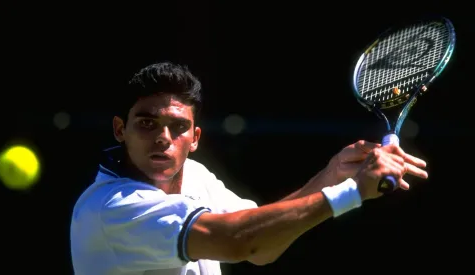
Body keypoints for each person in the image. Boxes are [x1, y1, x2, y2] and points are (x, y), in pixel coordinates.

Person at [70, 61, 429, 275]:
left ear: (194, 137)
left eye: (178, 127)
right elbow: (243, 241)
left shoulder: (195, 176)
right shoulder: (111, 208)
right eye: (147, 124)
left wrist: (331, 175)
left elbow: (265, 243)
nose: (164, 137)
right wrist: (352, 192)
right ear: (121, 130)